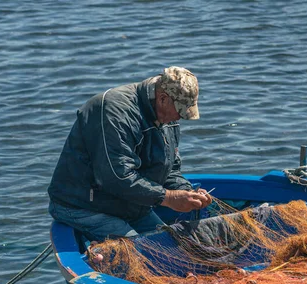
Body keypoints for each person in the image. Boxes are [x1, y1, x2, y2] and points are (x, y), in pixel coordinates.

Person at [47, 66, 212, 242]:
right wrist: (169, 198)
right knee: (145, 254)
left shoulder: (167, 117)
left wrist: (185, 191)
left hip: (133, 206)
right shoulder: (114, 111)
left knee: (170, 245)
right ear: (163, 98)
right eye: (180, 110)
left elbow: (170, 169)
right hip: (85, 207)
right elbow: (117, 177)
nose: (180, 117)